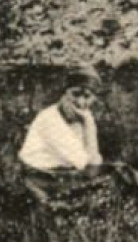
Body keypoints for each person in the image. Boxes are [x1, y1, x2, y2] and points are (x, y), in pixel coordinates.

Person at [17, 66, 118, 210]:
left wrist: (88, 123)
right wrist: (88, 123)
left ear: (94, 99)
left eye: (87, 96)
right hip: (41, 179)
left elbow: (94, 160)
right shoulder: (50, 120)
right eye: (75, 94)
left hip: (64, 174)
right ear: (64, 94)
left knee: (118, 174)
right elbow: (89, 167)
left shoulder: (83, 117)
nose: (81, 102)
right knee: (115, 177)